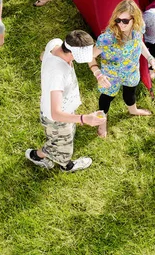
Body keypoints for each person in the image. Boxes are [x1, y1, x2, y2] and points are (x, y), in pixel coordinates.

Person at [25, 30, 106, 172]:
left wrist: (97, 74)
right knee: (63, 147)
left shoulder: (56, 43)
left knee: (59, 141)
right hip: (57, 119)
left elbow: (43, 56)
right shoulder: (58, 74)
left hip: (65, 111)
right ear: (71, 53)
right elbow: (56, 113)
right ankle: (65, 165)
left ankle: (38, 155)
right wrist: (84, 118)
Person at [88, 0, 155, 138]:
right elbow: (90, 57)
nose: (120, 24)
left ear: (135, 19)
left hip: (131, 72)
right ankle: (102, 121)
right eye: (118, 20)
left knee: (130, 93)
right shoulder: (107, 38)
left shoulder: (138, 29)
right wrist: (98, 74)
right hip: (110, 76)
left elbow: (139, 43)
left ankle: (133, 110)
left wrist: (151, 59)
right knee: (106, 98)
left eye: (125, 21)